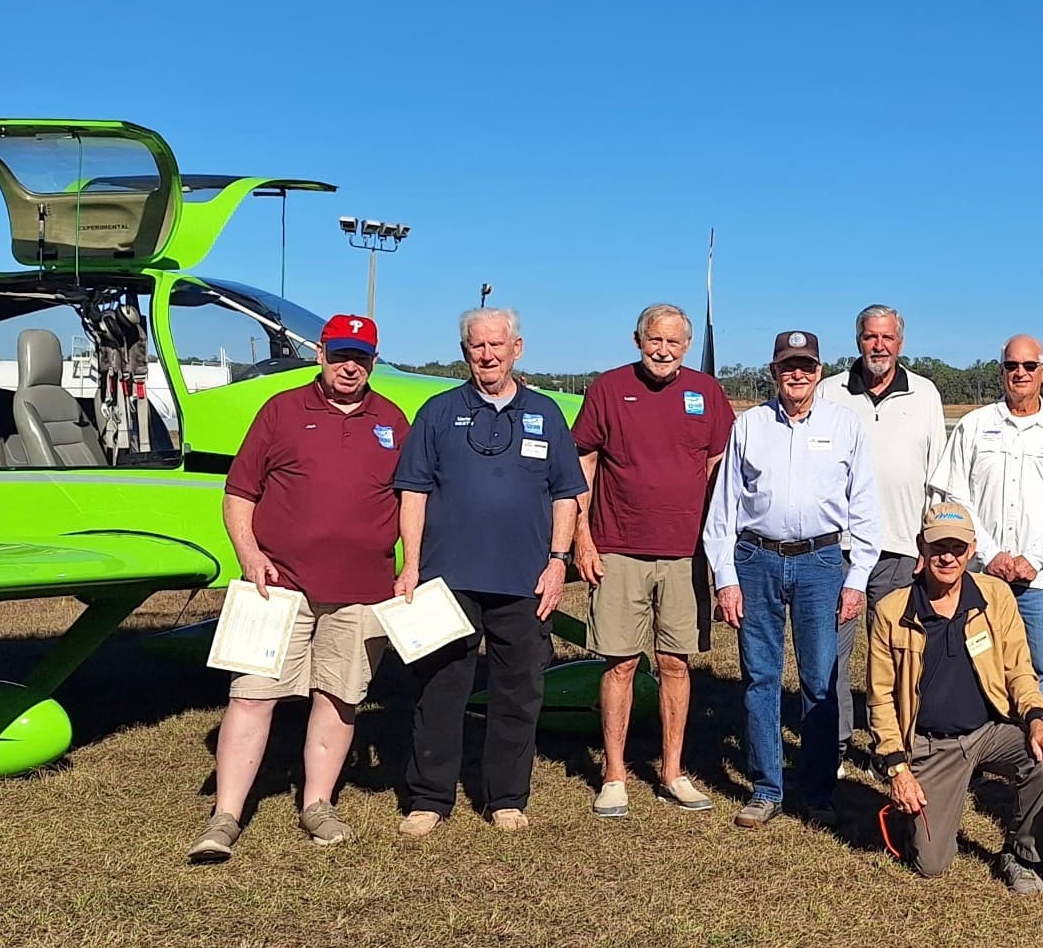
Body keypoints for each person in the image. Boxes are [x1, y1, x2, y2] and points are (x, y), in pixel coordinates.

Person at [187, 315, 409, 862]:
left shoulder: (393, 420)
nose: (348, 365)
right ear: (321, 355)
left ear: (374, 362)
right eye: (339, 354)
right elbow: (239, 493)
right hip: (275, 586)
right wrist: (249, 555)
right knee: (251, 696)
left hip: (363, 590)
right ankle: (226, 815)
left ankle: (318, 804)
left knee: (340, 696)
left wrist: (412, 567)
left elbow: (411, 502)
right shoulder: (281, 410)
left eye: (360, 356)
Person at [393, 308, 585, 838]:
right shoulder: (436, 412)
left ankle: (505, 797)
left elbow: (567, 495)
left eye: (497, 345)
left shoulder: (545, 414)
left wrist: (557, 562)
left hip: (525, 581)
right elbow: (413, 491)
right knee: (439, 689)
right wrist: (410, 566)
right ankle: (429, 797)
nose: (488, 355)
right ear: (465, 352)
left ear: (517, 348)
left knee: (518, 691)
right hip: (445, 578)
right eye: (477, 346)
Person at [704, 330, 881, 829]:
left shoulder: (844, 426)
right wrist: (725, 578)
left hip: (822, 563)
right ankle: (766, 788)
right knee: (760, 677)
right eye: (787, 366)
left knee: (820, 680)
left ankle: (819, 790)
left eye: (805, 366)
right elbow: (723, 511)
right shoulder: (750, 426)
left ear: (819, 371)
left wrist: (857, 579)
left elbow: (865, 508)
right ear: (774, 372)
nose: (797, 374)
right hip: (756, 559)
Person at [572, 303, 734, 818]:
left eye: (673, 342)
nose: (663, 351)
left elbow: (719, 467)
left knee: (674, 663)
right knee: (619, 662)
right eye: (653, 340)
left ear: (686, 345)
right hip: (618, 546)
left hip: (686, 553)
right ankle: (615, 775)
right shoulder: (607, 388)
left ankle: (673, 771)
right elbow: (586, 461)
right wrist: (583, 536)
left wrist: (718, 545)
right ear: (637, 339)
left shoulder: (707, 393)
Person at [865, 502, 1043, 891]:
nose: (947, 557)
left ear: (972, 550)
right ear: (921, 548)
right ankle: (911, 816)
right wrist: (897, 768)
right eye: (938, 546)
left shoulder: (996, 596)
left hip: (988, 730)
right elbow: (881, 700)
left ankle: (1018, 853)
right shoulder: (892, 611)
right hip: (930, 745)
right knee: (931, 864)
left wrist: (1038, 722)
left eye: (957, 548)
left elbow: (1019, 670)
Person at [928, 334, 1043, 707]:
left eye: (1029, 366)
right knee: (975, 662)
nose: (1020, 373)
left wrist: (1032, 560)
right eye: (1011, 365)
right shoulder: (973, 426)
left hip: (1040, 582)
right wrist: (991, 555)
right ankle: (976, 752)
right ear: (1001, 370)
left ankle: (1037, 756)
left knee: (1037, 672)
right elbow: (957, 499)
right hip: (981, 575)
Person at [818, 304, 944, 769]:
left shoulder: (925, 394)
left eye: (887, 337)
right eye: (871, 337)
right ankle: (832, 745)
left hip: (899, 549)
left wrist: (926, 543)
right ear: (858, 341)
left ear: (900, 343)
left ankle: (891, 745)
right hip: (838, 549)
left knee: (894, 654)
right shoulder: (830, 391)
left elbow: (938, 474)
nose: (879, 346)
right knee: (831, 653)